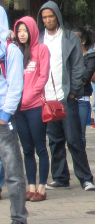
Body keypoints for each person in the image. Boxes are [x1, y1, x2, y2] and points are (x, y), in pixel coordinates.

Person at [37, 1, 95, 191]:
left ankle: (85, 178)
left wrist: (73, 91)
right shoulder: (39, 39)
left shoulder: (69, 37)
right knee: (54, 140)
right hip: (46, 98)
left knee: (74, 139)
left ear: (57, 16)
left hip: (66, 96)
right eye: (44, 17)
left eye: (50, 16)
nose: (47, 20)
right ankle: (60, 177)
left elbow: (78, 66)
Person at [12, 16, 50, 203]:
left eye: (25, 30)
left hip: (35, 107)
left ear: (32, 30)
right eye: (19, 31)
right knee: (26, 149)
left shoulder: (41, 49)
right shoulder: (16, 51)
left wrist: (27, 97)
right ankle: (31, 187)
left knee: (40, 148)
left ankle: (42, 188)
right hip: (19, 110)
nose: (22, 34)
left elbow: (42, 77)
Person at [0, 7, 27, 224]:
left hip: (3, 120)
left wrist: (4, 115)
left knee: (13, 173)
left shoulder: (11, 51)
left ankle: (18, 218)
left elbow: (16, 86)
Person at [73, 27, 95, 144]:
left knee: (81, 132)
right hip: (69, 98)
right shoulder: (68, 56)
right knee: (71, 133)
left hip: (82, 97)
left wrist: (73, 77)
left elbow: (85, 78)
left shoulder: (91, 56)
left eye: (74, 39)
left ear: (82, 41)